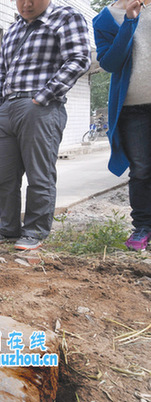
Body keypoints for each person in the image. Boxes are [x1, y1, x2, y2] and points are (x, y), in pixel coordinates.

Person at [0, 0, 91, 251]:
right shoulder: (13, 29)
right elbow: (1, 70)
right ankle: (8, 228)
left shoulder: (65, 17)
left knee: (39, 174)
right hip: (8, 108)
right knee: (4, 175)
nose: (26, 4)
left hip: (41, 106)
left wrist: (42, 96)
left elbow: (78, 59)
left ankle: (35, 230)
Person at [93, 0, 151, 251]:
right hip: (132, 108)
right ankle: (143, 227)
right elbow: (110, 63)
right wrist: (129, 21)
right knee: (141, 169)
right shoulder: (105, 18)